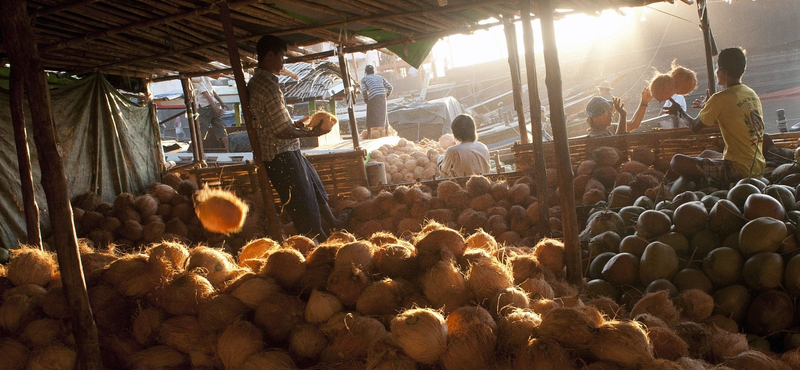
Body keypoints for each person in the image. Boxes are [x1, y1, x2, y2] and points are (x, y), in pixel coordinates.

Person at [248, 35, 350, 242]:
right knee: (302, 201)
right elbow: (280, 131)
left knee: (313, 185)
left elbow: (276, 123)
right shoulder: (266, 86)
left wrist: (299, 124)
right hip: (280, 156)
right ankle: (318, 241)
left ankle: (333, 222)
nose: (283, 63)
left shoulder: (262, 82)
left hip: (286, 151)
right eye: (281, 57)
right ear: (269, 55)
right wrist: (312, 133)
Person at [667, 47, 765, 187]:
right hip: (756, 165)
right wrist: (708, 107)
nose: (716, 72)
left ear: (723, 72)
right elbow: (732, 115)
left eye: (718, 69)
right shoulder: (750, 93)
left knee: (676, 161)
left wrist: (679, 111)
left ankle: (705, 184)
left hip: (738, 170)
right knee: (707, 153)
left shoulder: (720, 98)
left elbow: (695, 127)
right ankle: (676, 185)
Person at [585, 87, 653, 137]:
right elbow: (618, 142)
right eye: (606, 112)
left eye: (610, 111)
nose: (610, 114)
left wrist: (644, 102)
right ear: (595, 118)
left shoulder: (610, 128)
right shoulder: (594, 137)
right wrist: (623, 116)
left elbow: (634, 124)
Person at [192, 76, 231, 152]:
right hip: (213, 104)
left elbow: (206, 94)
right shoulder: (205, 76)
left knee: (201, 131)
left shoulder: (195, 79)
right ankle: (228, 151)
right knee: (221, 129)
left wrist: (215, 108)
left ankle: (198, 152)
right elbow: (212, 91)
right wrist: (220, 103)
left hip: (205, 107)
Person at [361, 65, 393, 138]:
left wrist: (366, 99)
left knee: (370, 114)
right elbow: (390, 87)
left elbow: (363, 90)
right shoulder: (380, 77)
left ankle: (369, 135)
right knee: (383, 113)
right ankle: (387, 132)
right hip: (382, 95)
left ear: (365, 72)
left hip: (373, 96)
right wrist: (387, 95)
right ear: (374, 71)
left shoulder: (364, 79)